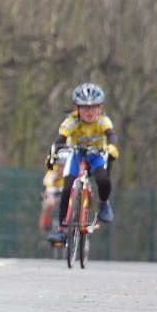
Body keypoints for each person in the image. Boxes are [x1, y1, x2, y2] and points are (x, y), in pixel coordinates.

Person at [46, 82, 119, 245]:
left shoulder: (103, 121)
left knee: (103, 179)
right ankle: (62, 229)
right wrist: (53, 154)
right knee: (67, 188)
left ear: (100, 108)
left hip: (96, 155)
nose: (89, 112)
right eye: (85, 108)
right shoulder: (72, 121)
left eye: (93, 108)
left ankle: (104, 204)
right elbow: (60, 139)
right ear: (77, 109)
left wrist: (112, 147)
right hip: (76, 154)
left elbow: (111, 135)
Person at [39, 147, 72, 240]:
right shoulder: (53, 171)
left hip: (67, 194)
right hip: (54, 192)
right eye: (60, 165)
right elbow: (48, 182)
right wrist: (51, 189)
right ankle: (45, 221)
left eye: (64, 165)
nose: (62, 168)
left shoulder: (71, 172)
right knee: (50, 202)